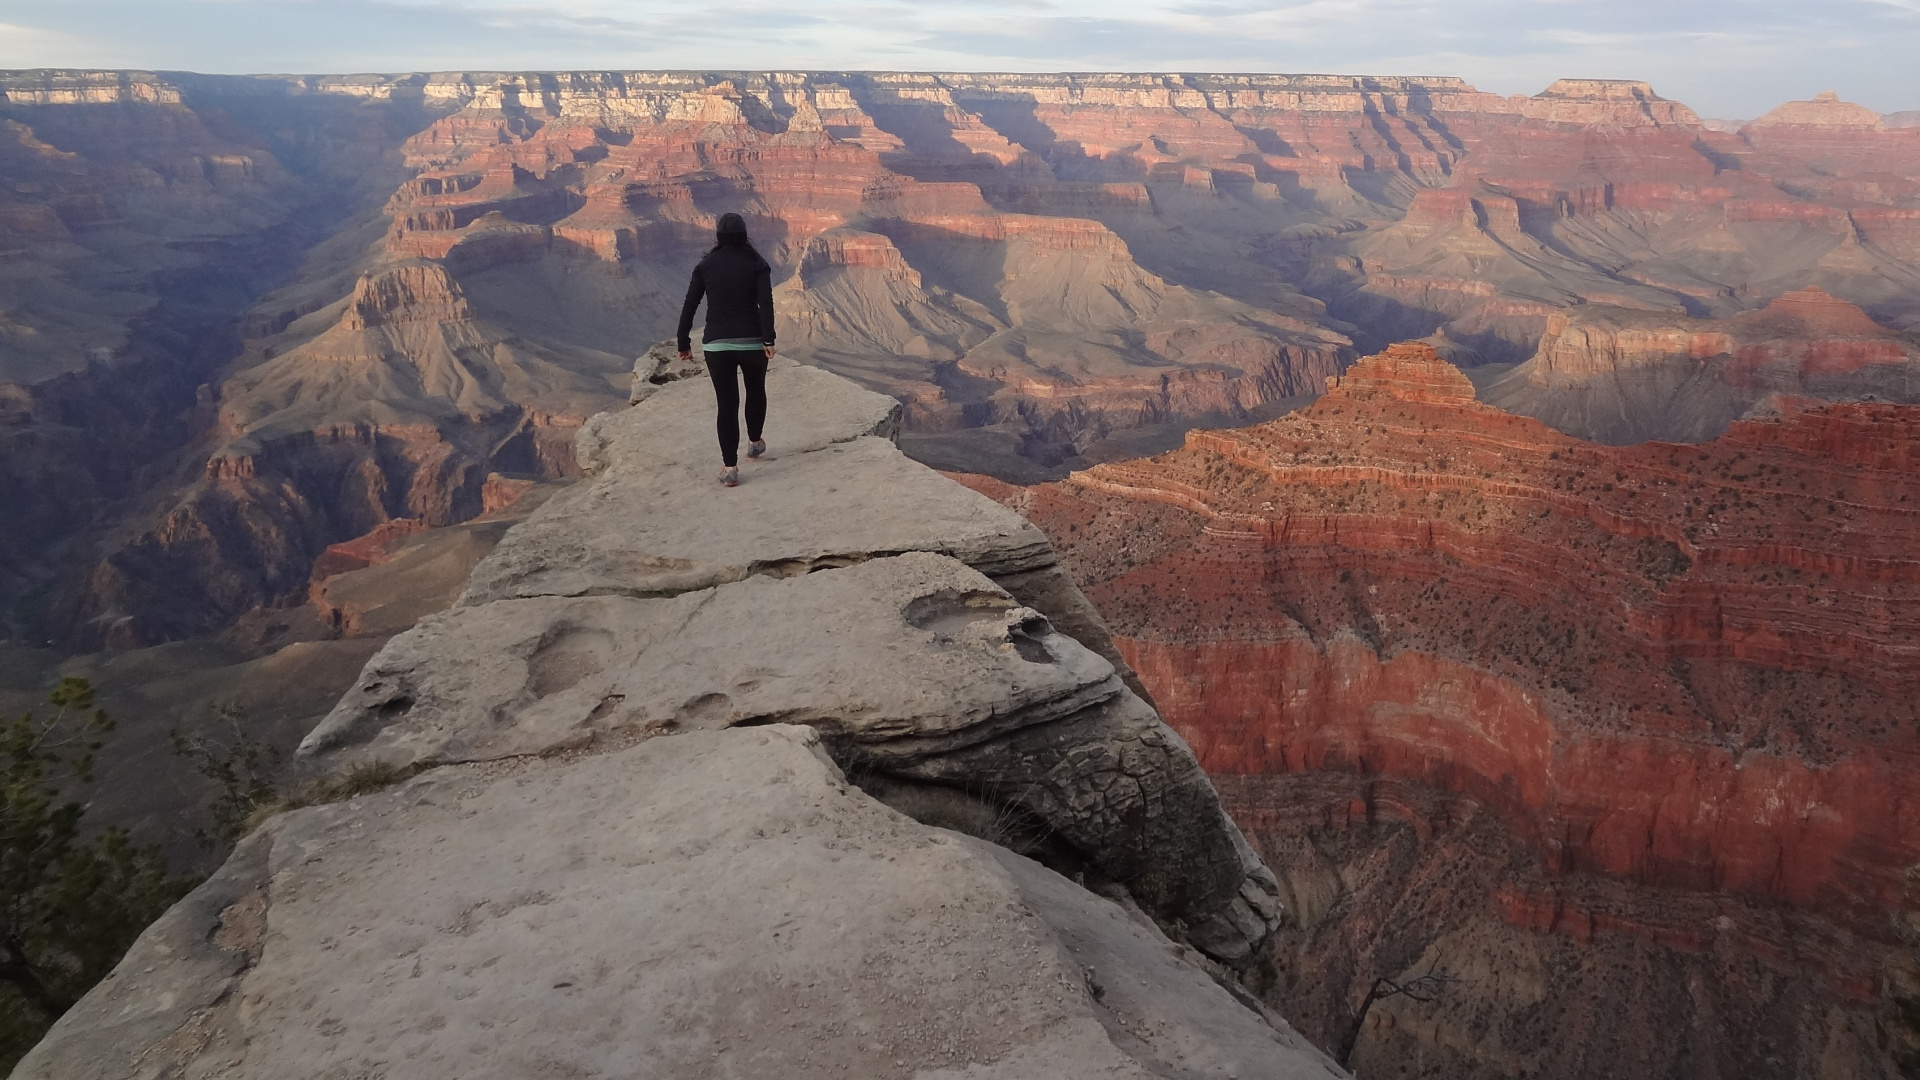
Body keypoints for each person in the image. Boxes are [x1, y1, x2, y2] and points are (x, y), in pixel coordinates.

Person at [677, 212, 775, 487]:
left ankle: (730, 468)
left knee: (727, 403)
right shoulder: (757, 264)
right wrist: (769, 339)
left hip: (716, 345)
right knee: (756, 390)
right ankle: (755, 443)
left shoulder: (705, 265)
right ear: (744, 235)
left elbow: (690, 304)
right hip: (752, 341)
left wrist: (683, 342)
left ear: (719, 236)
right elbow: (765, 303)